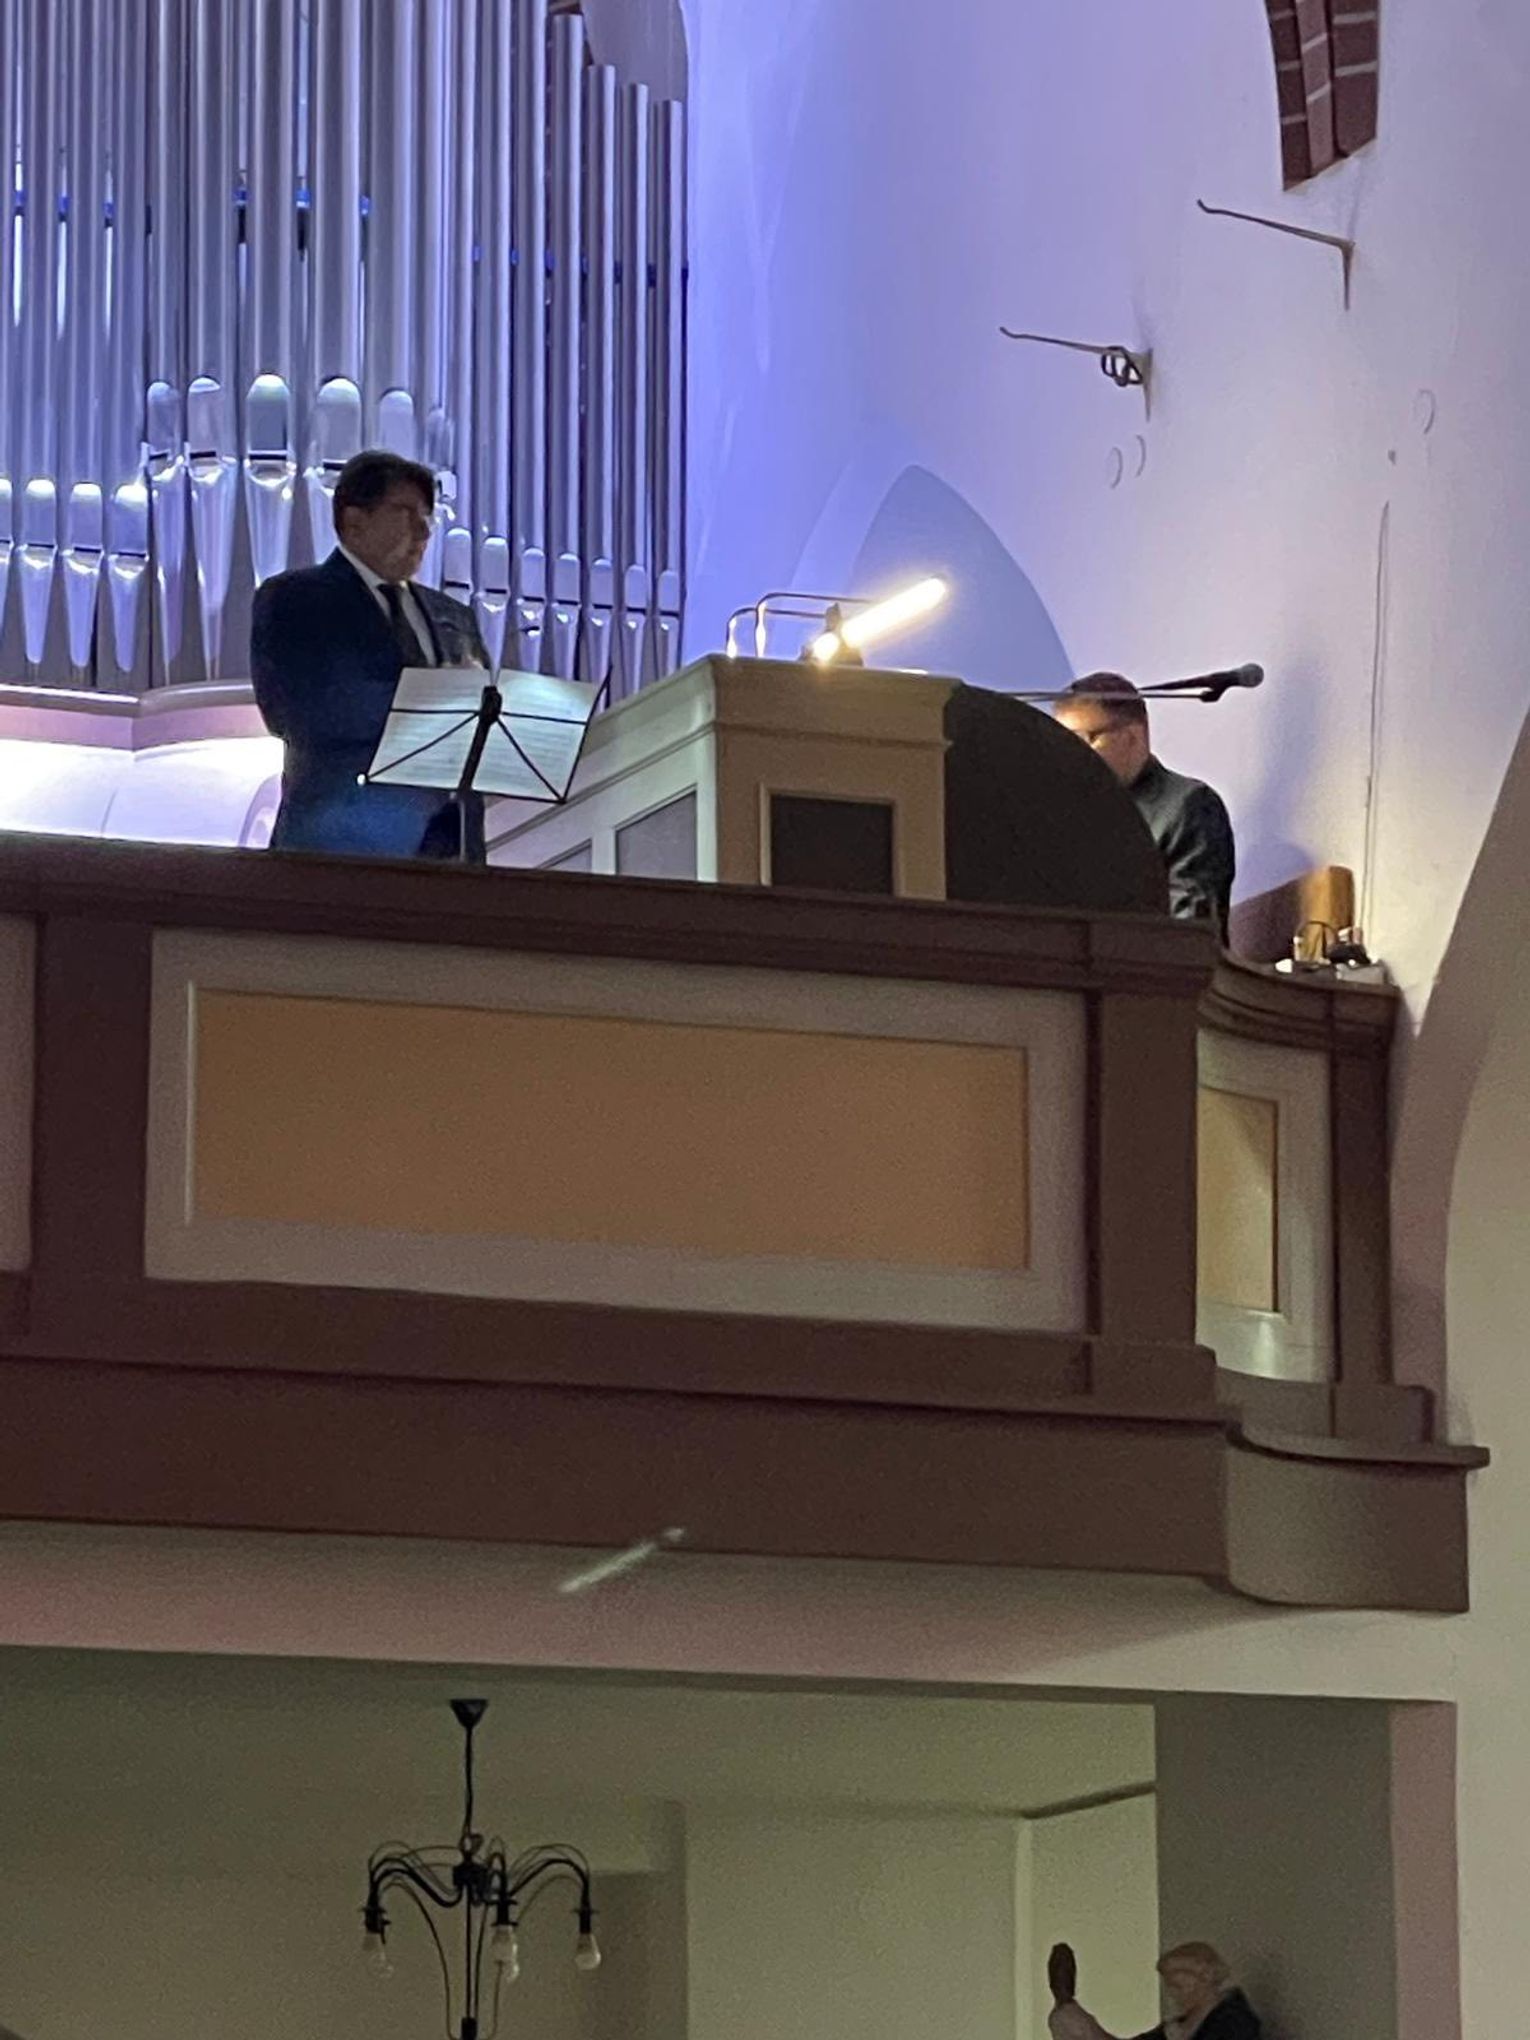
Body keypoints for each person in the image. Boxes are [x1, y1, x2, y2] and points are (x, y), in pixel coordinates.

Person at [252, 449, 492, 861]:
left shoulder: (454, 616)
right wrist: (440, 699)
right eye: (405, 512)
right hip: (338, 847)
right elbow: (302, 710)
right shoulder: (295, 598)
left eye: (427, 517)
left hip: (449, 853)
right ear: (354, 521)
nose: (424, 530)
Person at [1054, 674, 1235, 938]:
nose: (1071, 755)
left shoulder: (1188, 806)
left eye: (1083, 739)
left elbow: (1191, 932)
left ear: (1133, 736)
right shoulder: (1064, 814)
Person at [1047, 1939, 1261, 2040]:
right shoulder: (1179, 2026)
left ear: (1204, 1978)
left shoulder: (1234, 2021)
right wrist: (1080, 2024)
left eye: (1178, 1986)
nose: (1172, 1995)